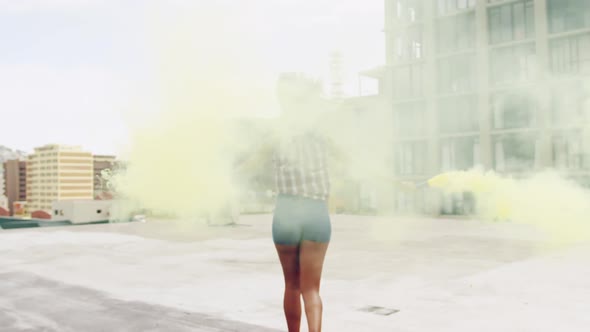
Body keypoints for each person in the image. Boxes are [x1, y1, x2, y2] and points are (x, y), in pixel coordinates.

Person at [271, 73, 331, 332]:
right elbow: (358, 162)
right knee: (311, 290)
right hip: (316, 212)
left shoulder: (276, 132)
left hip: (286, 211)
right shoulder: (323, 134)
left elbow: (250, 162)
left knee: (291, 285)